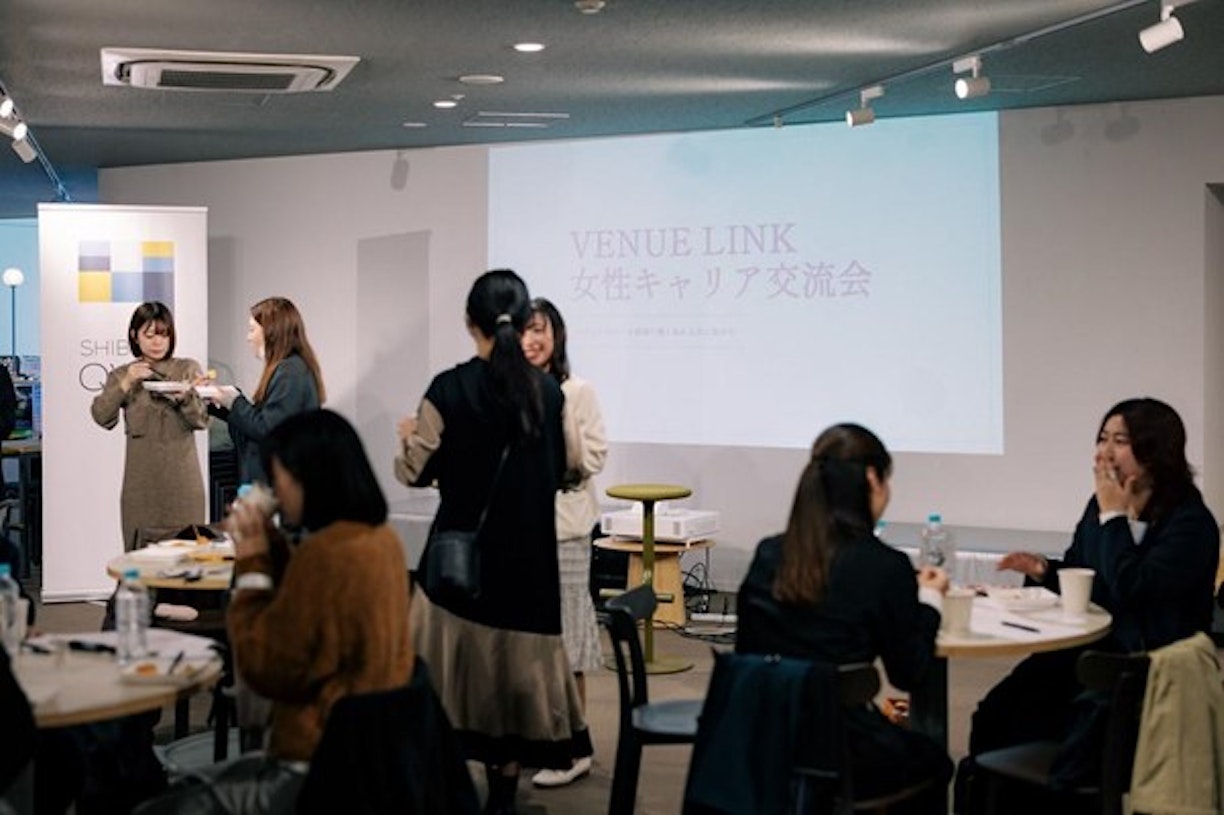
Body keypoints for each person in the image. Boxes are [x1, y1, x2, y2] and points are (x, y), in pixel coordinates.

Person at [136, 408, 414, 815]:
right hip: (376, 755)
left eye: (277, 476)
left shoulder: (326, 555)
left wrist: (250, 561)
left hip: (317, 762)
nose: (276, 490)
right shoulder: (379, 541)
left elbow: (263, 665)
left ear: (306, 478)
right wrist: (273, 546)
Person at [958, 397, 1220, 811]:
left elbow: (1134, 588)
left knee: (1066, 745)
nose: (1104, 452)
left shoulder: (1190, 523)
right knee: (996, 713)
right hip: (1085, 655)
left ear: (1155, 450)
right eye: (1102, 439)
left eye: (1120, 441)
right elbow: (1086, 578)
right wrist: (1045, 570)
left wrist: (1114, 517)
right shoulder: (1099, 506)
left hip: (1141, 672)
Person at [395, 269, 592, 815]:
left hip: (459, 570)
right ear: (522, 320)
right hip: (529, 569)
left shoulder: (447, 388)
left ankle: (449, 793)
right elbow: (573, 469)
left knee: (449, 685)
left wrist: (408, 438)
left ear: (469, 322)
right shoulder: (549, 393)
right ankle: (503, 798)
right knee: (510, 692)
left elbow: (412, 472)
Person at [734, 423, 953, 812]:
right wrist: (930, 599)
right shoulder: (884, 566)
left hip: (764, 739)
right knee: (934, 760)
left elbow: (747, 654)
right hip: (842, 751)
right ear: (871, 479)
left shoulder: (769, 554)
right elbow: (909, 672)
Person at [519, 297, 607, 789]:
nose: (532, 340)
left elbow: (593, 457)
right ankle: (539, 739)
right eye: (525, 330)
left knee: (567, 642)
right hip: (519, 531)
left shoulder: (577, 391)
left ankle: (575, 748)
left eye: (541, 330)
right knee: (527, 645)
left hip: (564, 529)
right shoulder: (508, 392)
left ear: (557, 336)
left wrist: (560, 440)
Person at [90, 301, 208, 550]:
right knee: (139, 560)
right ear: (135, 336)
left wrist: (185, 396)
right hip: (141, 487)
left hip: (183, 484)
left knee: (188, 560)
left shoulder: (187, 368)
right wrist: (127, 382)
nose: (157, 342)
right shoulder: (122, 374)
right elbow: (101, 416)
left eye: (163, 335)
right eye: (149, 335)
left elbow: (201, 420)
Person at [208, 297, 324, 486]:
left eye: (252, 330)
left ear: (271, 331)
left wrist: (234, 400)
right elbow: (257, 421)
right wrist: (217, 401)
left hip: (279, 483)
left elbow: (268, 429)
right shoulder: (288, 369)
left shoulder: (290, 372)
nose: (248, 338)